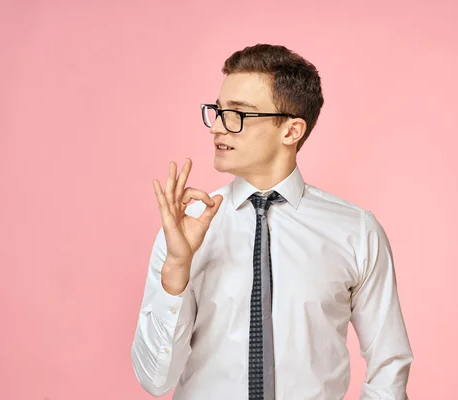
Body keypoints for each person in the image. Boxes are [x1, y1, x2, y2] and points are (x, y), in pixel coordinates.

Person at [131, 44, 413, 400]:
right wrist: (175, 268)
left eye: (239, 114)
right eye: (217, 111)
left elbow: (389, 361)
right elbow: (155, 380)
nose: (217, 127)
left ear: (291, 131)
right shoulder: (185, 231)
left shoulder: (355, 231)